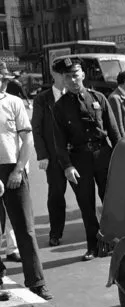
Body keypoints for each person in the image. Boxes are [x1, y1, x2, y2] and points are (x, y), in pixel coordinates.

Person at [52, 57, 121, 261]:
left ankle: (112, 241)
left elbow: (114, 131)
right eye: (68, 77)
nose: (73, 80)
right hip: (79, 159)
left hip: (103, 155)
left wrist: (120, 157)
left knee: (110, 200)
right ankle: (93, 246)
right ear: (63, 80)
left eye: (75, 75)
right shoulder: (60, 107)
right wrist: (67, 166)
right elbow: (59, 140)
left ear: (82, 75)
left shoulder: (98, 97)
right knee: (86, 204)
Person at [0, 62, 52, 300]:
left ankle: (36, 281)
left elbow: (26, 140)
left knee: (25, 229)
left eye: (4, 78)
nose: (2, 82)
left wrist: (18, 170)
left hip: (14, 169)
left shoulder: (14, 103)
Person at [32, 64, 68, 247]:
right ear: (54, 74)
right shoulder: (42, 99)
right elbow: (36, 129)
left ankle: (93, 234)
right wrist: (42, 155)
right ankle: (55, 232)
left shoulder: (75, 95)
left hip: (76, 155)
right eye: (62, 74)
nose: (65, 77)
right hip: (54, 157)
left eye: (68, 74)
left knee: (85, 196)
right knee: (56, 195)